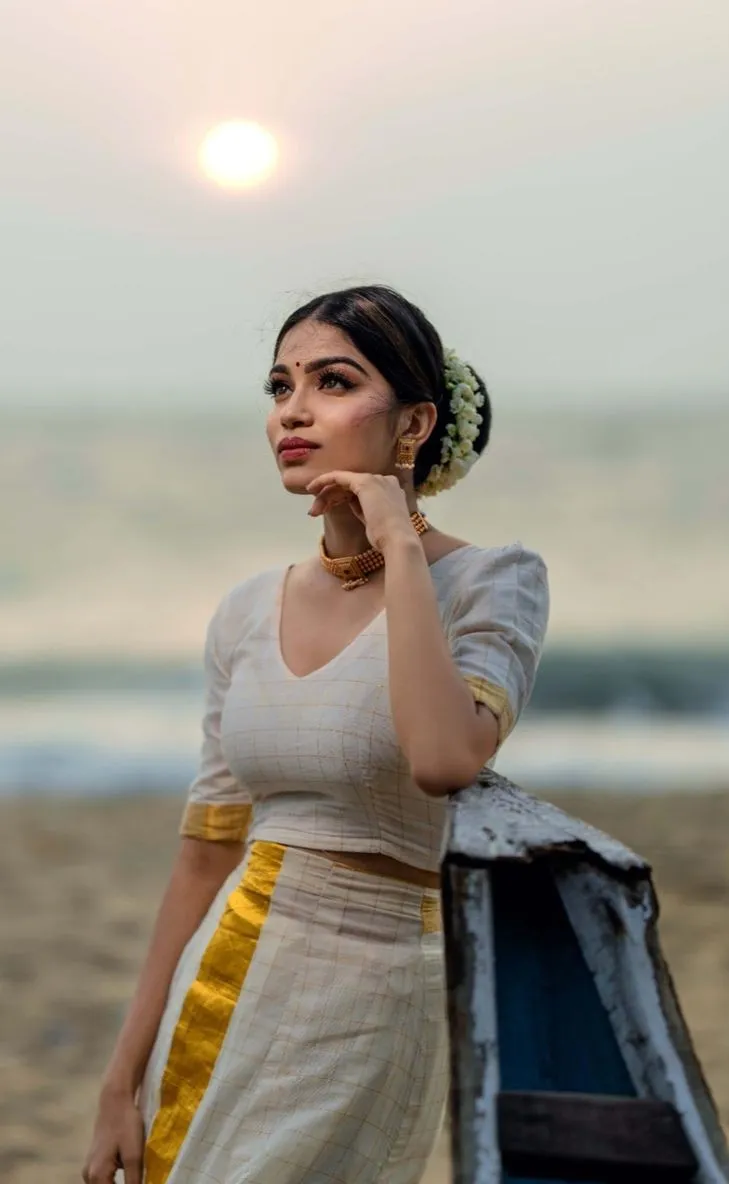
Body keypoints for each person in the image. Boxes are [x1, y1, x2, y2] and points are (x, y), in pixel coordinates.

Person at [82, 284, 550, 1184]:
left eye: (333, 382)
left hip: (376, 1000)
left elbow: (445, 759)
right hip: (223, 976)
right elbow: (204, 854)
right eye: (279, 385)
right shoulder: (248, 610)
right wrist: (119, 1077)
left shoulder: (498, 582)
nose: (293, 411)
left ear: (415, 424)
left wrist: (400, 546)